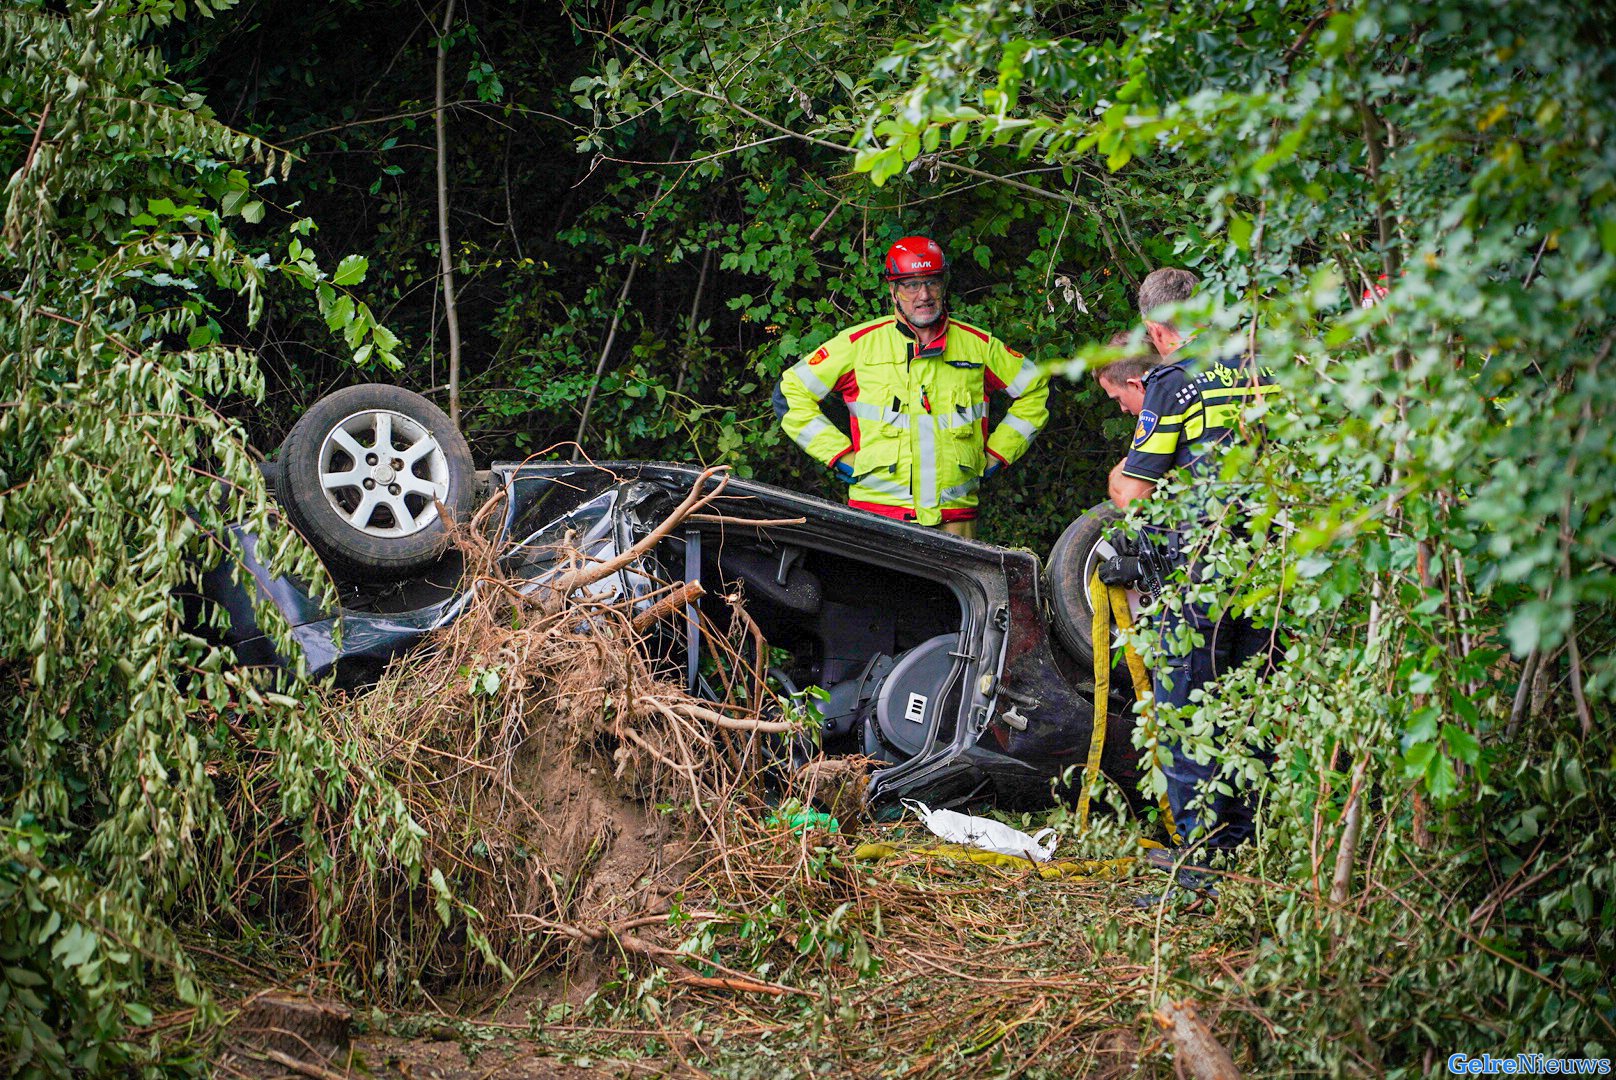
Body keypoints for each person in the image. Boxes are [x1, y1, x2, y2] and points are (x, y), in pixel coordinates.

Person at [1102, 267, 1281, 869]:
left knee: (1187, 710)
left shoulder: (1174, 382)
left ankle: (1203, 864)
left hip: (1203, 571)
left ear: (1157, 330)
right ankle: (1258, 850)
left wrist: (1120, 491)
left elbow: (1139, 486)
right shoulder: (1265, 365)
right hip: (1271, 567)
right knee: (1252, 708)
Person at [773, 236, 1049, 539]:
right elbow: (791, 392)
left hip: (955, 519)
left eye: (931, 282)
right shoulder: (859, 345)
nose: (924, 295)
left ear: (943, 286)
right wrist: (838, 455)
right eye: (911, 285)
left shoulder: (978, 346)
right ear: (893, 291)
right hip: (877, 518)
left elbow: (1033, 389)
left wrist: (1000, 453)